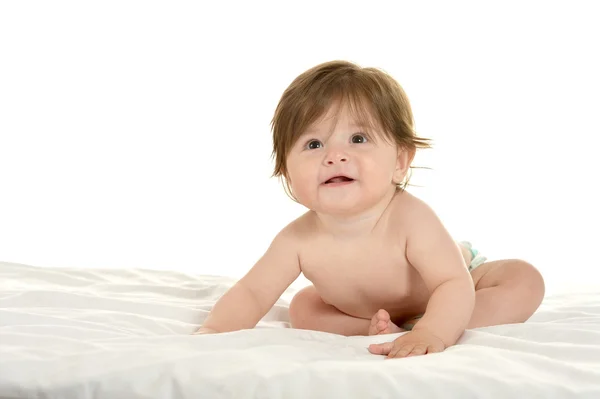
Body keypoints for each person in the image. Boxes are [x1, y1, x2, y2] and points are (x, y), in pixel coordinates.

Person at [195, 60, 545, 358]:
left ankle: (423, 326)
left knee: (524, 280)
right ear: (287, 171)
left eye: (358, 139)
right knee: (304, 307)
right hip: (368, 313)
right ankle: (378, 329)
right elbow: (253, 292)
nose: (334, 156)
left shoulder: (410, 217)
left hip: (453, 286)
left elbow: (451, 282)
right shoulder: (296, 240)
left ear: (400, 161)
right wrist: (214, 330)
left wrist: (432, 333)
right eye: (314, 144)